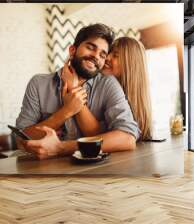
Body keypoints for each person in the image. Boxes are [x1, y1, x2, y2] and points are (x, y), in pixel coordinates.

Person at [16, 24, 139, 160]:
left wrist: (60, 148)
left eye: (102, 55)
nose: (96, 57)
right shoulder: (39, 83)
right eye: (90, 47)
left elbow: (127, 138)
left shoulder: (108, 84)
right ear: (72, 50)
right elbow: (21, 139)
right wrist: (66, 111)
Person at [62, 37, 152, 140]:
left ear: (130, 64)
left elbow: (97, 135)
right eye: (108, 53)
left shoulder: (131, 102)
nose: (107, 58)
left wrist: (74, 89)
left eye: (115, 55)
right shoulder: (95, 86)